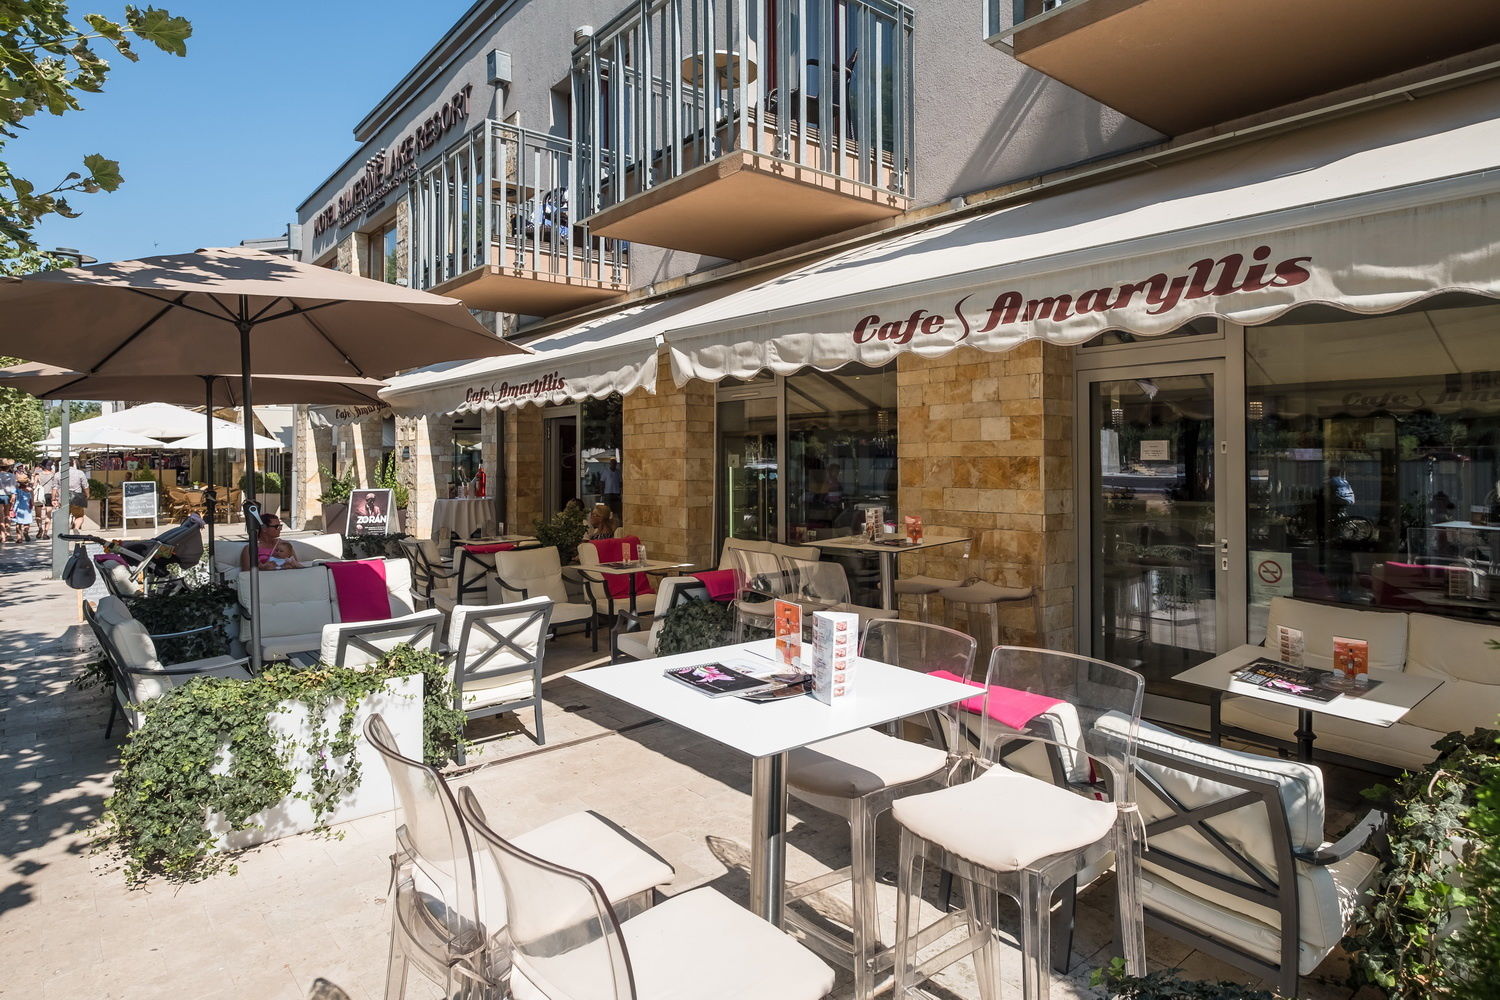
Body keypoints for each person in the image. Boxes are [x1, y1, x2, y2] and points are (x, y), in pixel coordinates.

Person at [33, 460, 57, 539]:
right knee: (48, 515)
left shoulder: (38, 475)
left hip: (39, 495)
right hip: (49, 495)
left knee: (38, 515)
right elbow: (55, 487)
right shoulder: (53, 475)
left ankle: (40, 528)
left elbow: (34, 486)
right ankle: (45, 533)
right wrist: (55, 497)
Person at [9, 474, 33, 543]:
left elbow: (13, 499)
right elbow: (32, 499)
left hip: (18, 508)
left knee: (18, 523)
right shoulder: (30, 490)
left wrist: (11, 507)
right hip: (27, 507)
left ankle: (19, 537)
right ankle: (26, 531)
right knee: (27, 522)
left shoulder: (16, 490)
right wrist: (32, 505)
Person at [66, 461, 89, 532]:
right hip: (77, 498)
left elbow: (55, 487)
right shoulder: (80, 473)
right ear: (73, 464)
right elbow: (85, 485)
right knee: (79, 516)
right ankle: (76, 528)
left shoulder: (59, 474)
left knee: (64, 515)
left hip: (63, 498)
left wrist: (54, 498)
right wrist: (87, 494)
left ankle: (65, 528)